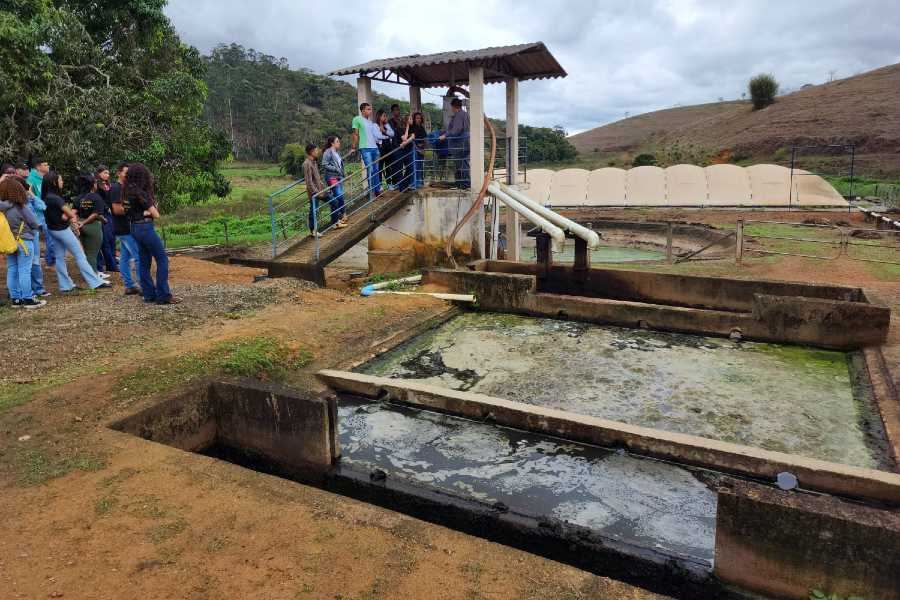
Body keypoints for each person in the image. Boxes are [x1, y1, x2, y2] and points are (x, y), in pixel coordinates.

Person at [41, 171, 111, 292]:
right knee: (80, 255)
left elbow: (68, 213)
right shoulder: (56, 199)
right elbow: (69, 213)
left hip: (53, 230)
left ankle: (65, 285)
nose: (62, 182)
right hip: (63, 230)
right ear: (54, 182)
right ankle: (95, 282)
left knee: (60, 258)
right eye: (60, 180)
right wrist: (67, 215)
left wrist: (69, 217)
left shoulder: (46, 197)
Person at [123, 162, 180, 304]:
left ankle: (149, 295)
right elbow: (156, 215)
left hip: (134, 228)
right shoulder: (140, 193)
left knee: (144, 262)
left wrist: (146, 211)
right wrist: (150, 210)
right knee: (162, 259)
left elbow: (132, 211)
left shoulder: (126, 193)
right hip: (145, 228)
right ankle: (163, 295)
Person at [0, 178, 46, 308]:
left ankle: (16, 299)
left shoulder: (2, 209)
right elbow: (34, 223)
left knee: (12, 270)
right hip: (24, 241)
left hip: (10, 242)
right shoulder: (20, 207)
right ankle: (28, 298)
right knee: (25, 270)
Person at [108, 162, 141, 295]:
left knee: (125, 258)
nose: (128, 176)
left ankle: (130, 285)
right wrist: (136, 211)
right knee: (139, 257)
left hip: (124, 228)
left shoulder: (126, 188)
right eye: (126, 173)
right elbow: (117, 210)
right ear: (119, 173)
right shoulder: (116, 189)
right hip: (124, 228)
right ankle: (144, 285)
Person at [72, 171, 109, 279]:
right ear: (93, 185)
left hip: (82, 225)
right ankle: (93, 276)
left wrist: (76, 224)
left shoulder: (78, 198)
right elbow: (95, 214)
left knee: (87, 252)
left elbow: (73, 212)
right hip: (93, 226)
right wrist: (84, 223)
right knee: (93, 253)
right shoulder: (96, 198)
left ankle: (89, 273)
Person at [18, 177, 50, 298]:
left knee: (35, 260)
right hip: (21, 234)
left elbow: (43, 206)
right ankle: (23, 292)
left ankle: (38, 288)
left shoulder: (28, 197)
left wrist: (30, 192)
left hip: (33, 233)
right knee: (22, 265)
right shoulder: (11, 201)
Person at [303, 143, 337, 236]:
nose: (318, 152)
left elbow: (317, 179)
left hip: (321, 190)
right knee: (314, 211)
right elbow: (309, 182)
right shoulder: (307, 164)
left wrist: (325, 189)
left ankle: (335, 223)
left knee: (334, 202)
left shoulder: (314, 163)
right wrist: (316, 193)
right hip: (314, 193)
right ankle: (313, 230)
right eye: (316, 150)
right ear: (312, 152)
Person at [27, 157, 56, 267]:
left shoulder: (47, 178)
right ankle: (47, 261)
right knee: (46, 236)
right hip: (39, 213)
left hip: (48, 211)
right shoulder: (31, 179)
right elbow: (30, 195)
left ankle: (50, 260)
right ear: (38, 167)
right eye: (45, 165)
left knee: (51, 237)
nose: (48, 166)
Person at [350, 103, 382, 198]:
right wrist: (354, 147)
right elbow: (356, 134)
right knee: (370, 170)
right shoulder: (357, 119)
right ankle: (372, 192)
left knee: (376, 170)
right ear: (362, 110)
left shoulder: (370, 122)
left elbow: (373, 135)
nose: (370, 111)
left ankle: (377, 190)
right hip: (365, 148)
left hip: (374, 147)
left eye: (370, 109)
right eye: (368, 109)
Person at [439, 98, 471, 189]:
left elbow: (456, 129)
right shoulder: (465, 114)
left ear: (453, 107)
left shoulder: (458, 115)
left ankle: (465, 184)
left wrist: (446, 135)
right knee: (461, 164)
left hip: (460, 144)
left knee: (462, 164)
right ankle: (459, 184)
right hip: (466, 142)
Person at [94, 165, 119, 274]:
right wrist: (107, 209)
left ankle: (112, 258)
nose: (107, 175)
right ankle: (108, 260)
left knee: (112, 236)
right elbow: (99, 200)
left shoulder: (108, 185)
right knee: (107, 237)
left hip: (111, 211)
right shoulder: (97, 186)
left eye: (108, 173)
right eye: (104, 173)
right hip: (103, 212)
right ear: (99, 173)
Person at [322, 136, 347, 228]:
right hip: (332, 177)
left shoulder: (337, 152)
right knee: (339, 195)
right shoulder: (328, 152)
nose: (339, 143)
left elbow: (340, 164)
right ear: (332, 143)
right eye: (337, 141)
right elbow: (324, 164)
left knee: (338, 196)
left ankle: (337, 218)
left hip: (339, 177)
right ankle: (343, 213)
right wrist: (335, 169)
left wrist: (341, 172)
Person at [373, 109, 395, 189]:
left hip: (388, 147)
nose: (385, 117)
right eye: (384, 116)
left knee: (388, 166)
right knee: (380, 166)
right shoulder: (375, 125)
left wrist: (384, 131)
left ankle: (389, 183)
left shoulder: (387, 125)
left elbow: (392, 133)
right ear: (379, 116)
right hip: (381, 147)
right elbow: (378, 136)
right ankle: (380, 184)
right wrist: (386, 136)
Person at [387, 104, 404, 189]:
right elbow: (392, 134)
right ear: (393, 111)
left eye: (399, 110)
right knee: (395, 166)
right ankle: (395, 182)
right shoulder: (390, 122)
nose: (398, 111)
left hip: (403, 145)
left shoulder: (401, 121)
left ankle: (401, 182)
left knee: (401, 165)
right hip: (395, 146)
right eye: (396, 110)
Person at [410, 112, 428, 189]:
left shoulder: (422, 128)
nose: (419, 120)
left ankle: (420, 182)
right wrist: (417, 149)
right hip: (415, 148)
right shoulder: (412, 127)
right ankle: (415, 183)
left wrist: (424, 149)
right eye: (417, 118)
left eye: (420, 118)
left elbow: (425, 139)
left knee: (420, 166)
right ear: (414, 119)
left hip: (421, 147)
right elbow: (412, 140)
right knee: (415, 166)